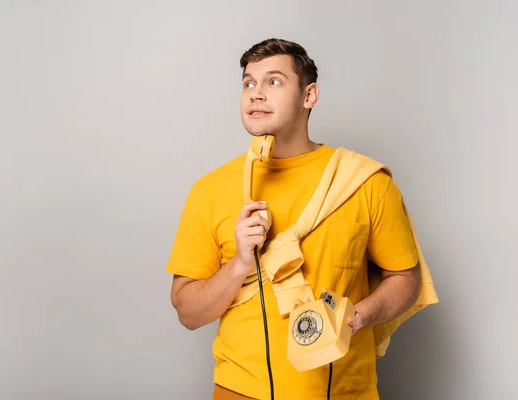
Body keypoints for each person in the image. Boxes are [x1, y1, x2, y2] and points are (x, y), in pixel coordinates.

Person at [165, 38, 423, 400]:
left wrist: (361, 315)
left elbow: (406, 279)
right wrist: (239, 264)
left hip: (344, 391)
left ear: (309, 95)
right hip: (239, 391)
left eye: (273, 81)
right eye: (248, 83)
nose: (256, 94)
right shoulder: (209, 190)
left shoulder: (364, 182)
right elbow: (188, 313)